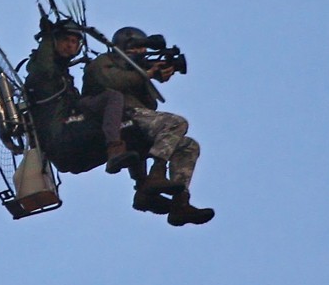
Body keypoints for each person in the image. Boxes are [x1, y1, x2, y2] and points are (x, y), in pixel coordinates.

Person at [83, 26, 215, 226]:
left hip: (139, 115)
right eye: (137, 49)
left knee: (189, 146)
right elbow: (111, 81)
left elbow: (150, 104)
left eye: (144, 49)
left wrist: (155, 73)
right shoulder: (104, 62)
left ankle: (180, 203)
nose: (142, 53)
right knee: (177, 123)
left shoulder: (136, 67)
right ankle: (156, 174)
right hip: (121, 114)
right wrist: (145, 75)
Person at [24, 16, 137, 176]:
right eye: (65, 40)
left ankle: (146, 188)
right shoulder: (44, 74)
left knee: (133, 127)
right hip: (62, 139)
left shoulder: (63, 76)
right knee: (113, 98)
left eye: (74, 42)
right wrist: (47, 38)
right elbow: (44, 68)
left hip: (76, 153)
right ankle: (114, 149)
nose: (70, 45)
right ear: (55, 42)